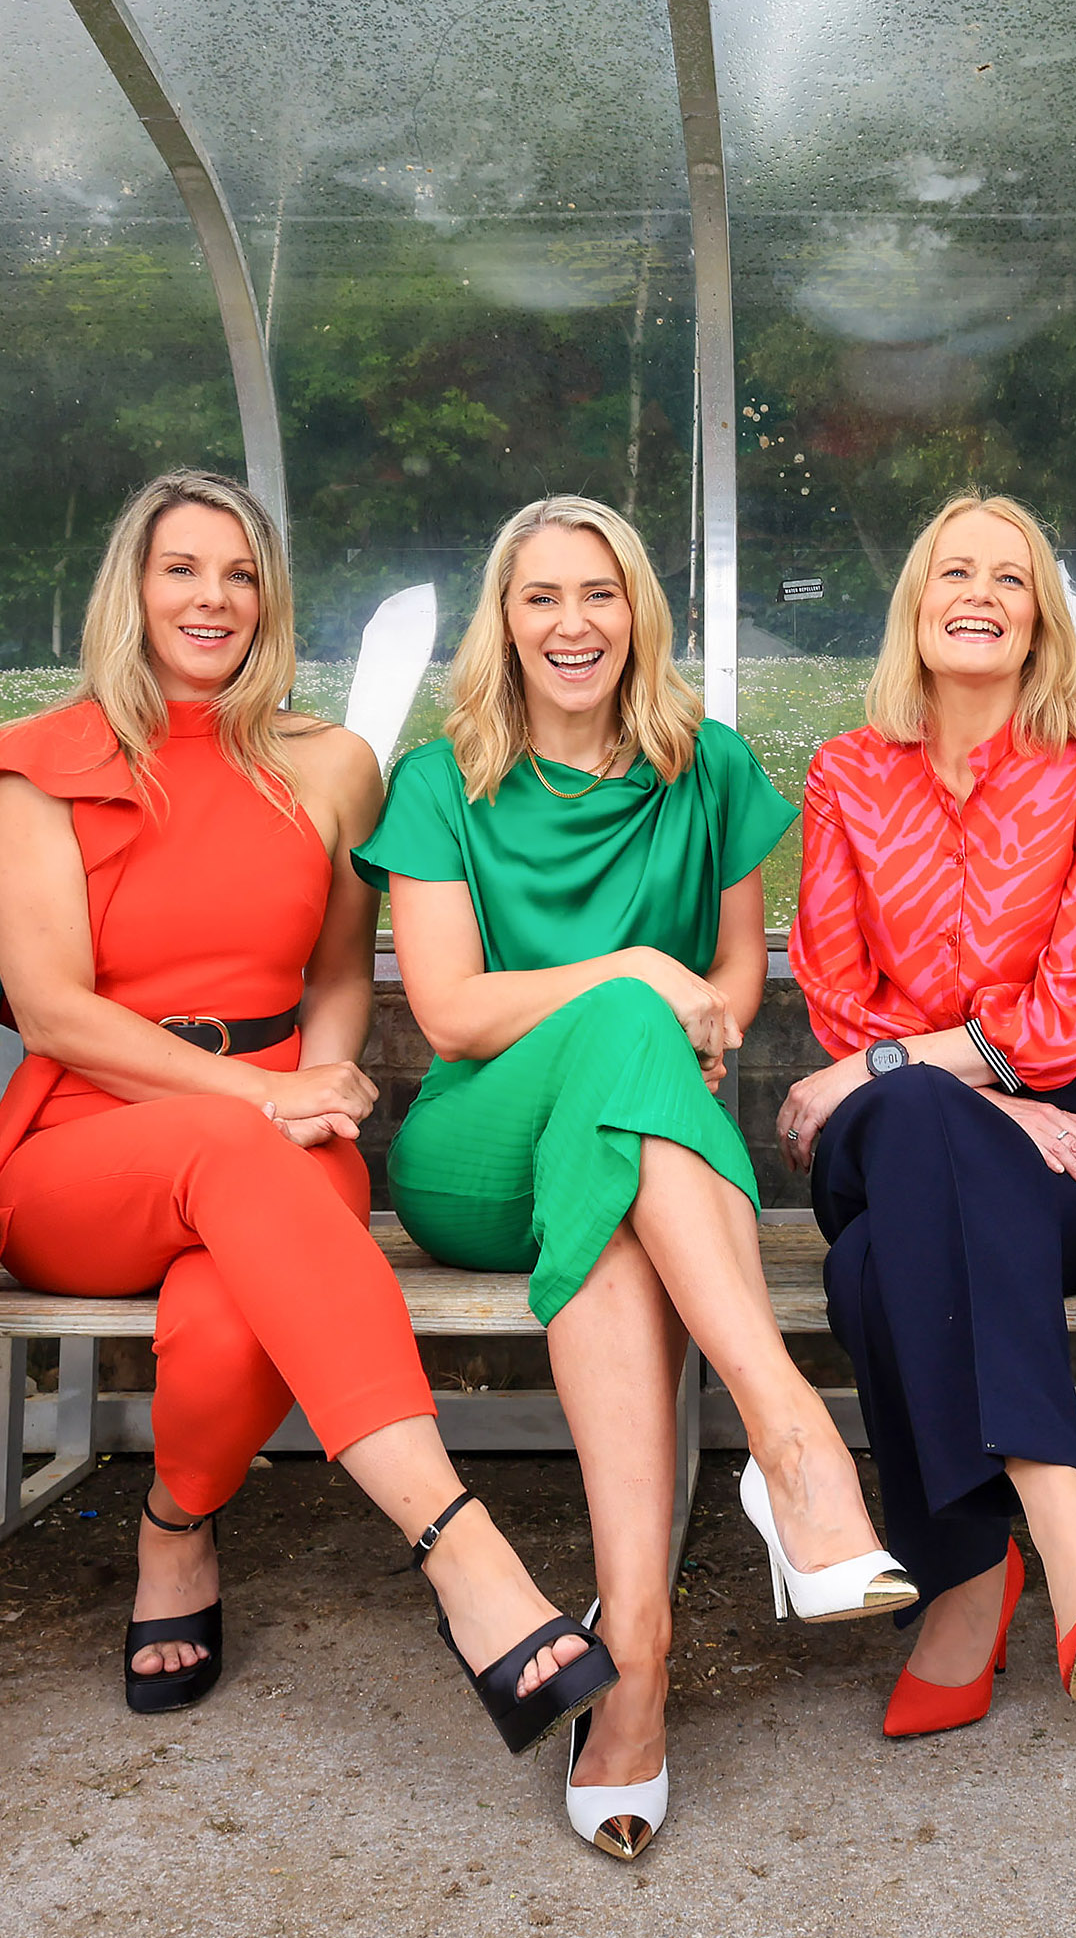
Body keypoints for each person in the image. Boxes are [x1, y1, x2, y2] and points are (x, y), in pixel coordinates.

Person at [0, 470, 610, 1758]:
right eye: (182, 568)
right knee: (234, 1153)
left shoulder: (334, 764)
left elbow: (340, 971)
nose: (214, 597)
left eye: (241, 573)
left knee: (231, 1317)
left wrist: (330, 1081)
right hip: (86, 1143)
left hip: (282, 1133)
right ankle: (463, 1552)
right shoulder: (39, 767)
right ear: (132, 588)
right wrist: (263, 1094)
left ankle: (175, 1523)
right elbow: (53, 1012)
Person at [361, 494, 911, 1865]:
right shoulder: (440, 779)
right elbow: (451, 1014)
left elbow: (735, 984)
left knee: (615, 1194)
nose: (572, 622)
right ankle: (793, 1442)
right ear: (503, 619)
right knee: (621, 1023)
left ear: (638, 613)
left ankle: (642, 1653)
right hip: (477, 1152)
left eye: (598, 593)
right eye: (540, 595)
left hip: (631, 1147)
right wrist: (632, 975)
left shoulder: (706, 764)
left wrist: (671, 1005)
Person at [780, 496, 1076, 1736]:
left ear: (1041, 614)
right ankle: (1061, 1508)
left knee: (873, 1268)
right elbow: (835, 995)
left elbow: (1074, 1011)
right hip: (884, 1122)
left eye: (1011, 575)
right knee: (914, 1123)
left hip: (1069, 1137)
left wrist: (962, 1084)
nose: (981, 594)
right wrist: (974, 1091)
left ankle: (964, 1572)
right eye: (955, 571)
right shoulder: (846, 768)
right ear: (917, 603)